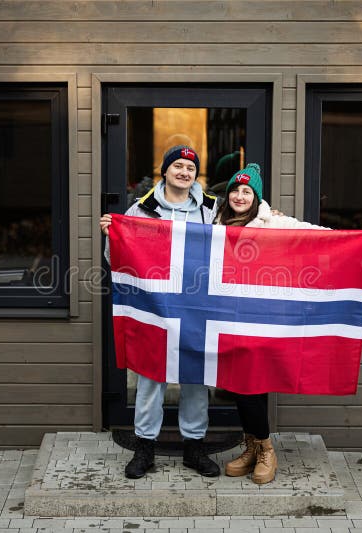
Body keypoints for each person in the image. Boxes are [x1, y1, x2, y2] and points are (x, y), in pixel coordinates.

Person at [100, 145, 221, 479]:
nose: (184, 172)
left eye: (190, 168)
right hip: (155, 305)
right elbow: (117, 260)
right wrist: (113, 234)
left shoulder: (211, 209)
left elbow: (236, 241)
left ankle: (194, 447)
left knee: (196, 377)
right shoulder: (141, 210)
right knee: (151, 376)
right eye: (178, 166)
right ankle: (145, 448)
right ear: (165, 171)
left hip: (197, 306)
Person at [214, 163, 335, 485]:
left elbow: (312, 235)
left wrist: (358, 239)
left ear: (256, 197)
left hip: (262, 318)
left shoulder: (273, 222)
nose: (240, 196)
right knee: (238, 384)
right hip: (227, 317)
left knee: (252, 382)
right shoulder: (215, 222)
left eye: (246, 191)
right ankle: (252, 446)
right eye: (235, 190)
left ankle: (267, 449)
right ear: (227, 195)